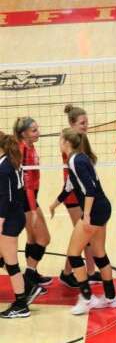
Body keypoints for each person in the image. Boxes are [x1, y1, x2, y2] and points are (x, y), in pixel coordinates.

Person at [54, 130, 116, 316]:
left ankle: (87, 298)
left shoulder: (75, 161)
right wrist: (54, 204)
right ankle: (111, 297)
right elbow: (71, 186)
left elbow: (89, 190)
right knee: (99, 254)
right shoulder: (79, 158)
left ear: (66, 142)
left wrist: (87, 215)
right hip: (103, 207)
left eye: (60, 140)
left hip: (95, 211)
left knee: (73, 254)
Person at [55, 105, 100, 289]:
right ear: (72, 124)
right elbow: (72, 177)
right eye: (82, 123)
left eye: (86, 122)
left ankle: (89, 271)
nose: (86, 125)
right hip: (74, 196)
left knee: (84, 236)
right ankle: (67, 273)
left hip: (81, 194)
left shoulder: (81, 140)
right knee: (81, 236)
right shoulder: (68, 143)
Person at [0, 132, 40, 318]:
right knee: (3, 257)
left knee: (11, 263)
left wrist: (0, 222)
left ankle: (21, 304)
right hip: (15, 216)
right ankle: (29, 287)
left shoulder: (4, 167)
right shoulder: (10, 162)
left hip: (9, 219)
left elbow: (5, 199)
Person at [13, 117, 51, 290]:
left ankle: (32, 274)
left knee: (33, 237)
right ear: (24, 134)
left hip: (30, 198)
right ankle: (28, 278)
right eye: (34, 130)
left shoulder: (30, 146)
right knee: (44, 238)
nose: (38, 132)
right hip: (25, 199)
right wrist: (33, 209)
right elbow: (26, 183)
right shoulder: (22, 150)